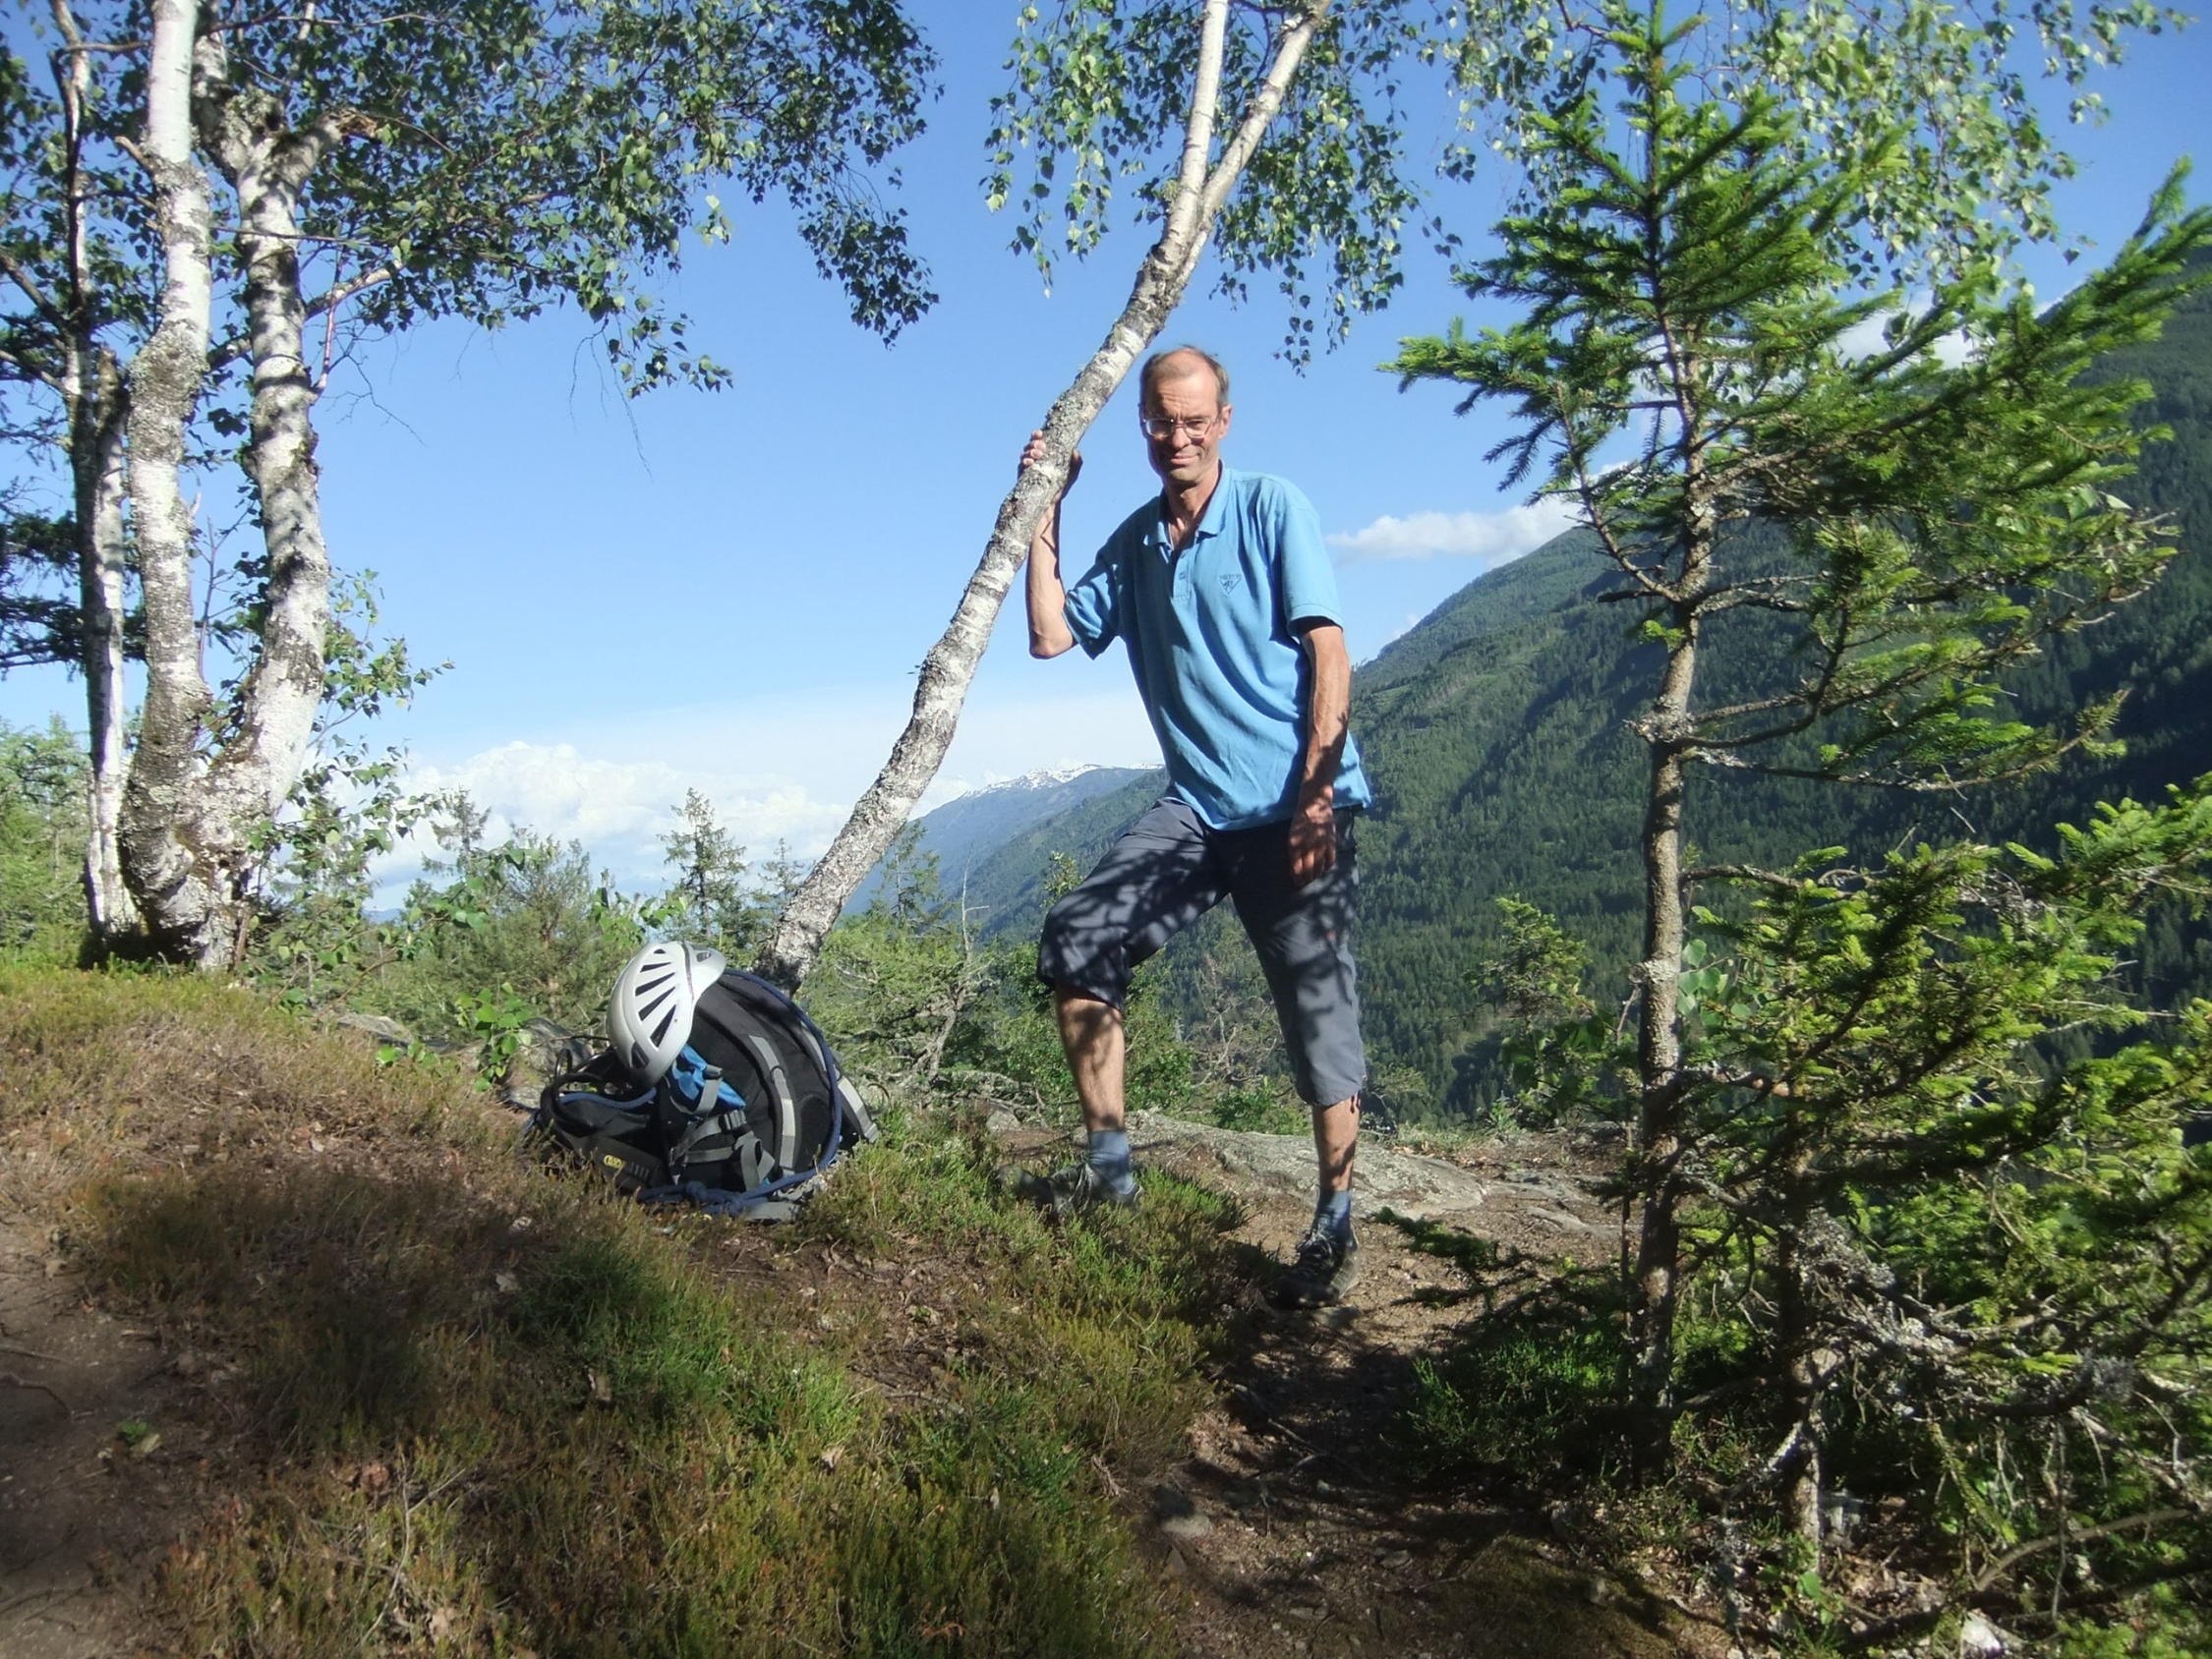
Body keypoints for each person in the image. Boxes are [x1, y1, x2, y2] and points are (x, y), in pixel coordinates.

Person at [1013, 344, 1372, 1308]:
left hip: (1293, 805)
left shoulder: (1272, 508)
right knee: (1079, 936)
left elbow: (1330, 654)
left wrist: (1317, 797)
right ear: (1144, 425)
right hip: (1201, 809)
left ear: (1224, 420)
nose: (1178, 436)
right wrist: (1046, 506)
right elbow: (1050, 635)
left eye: (1194, 419)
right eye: (1161, 421)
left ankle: (1336, 1220)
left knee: (1319, 1015)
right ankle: (1110, 1173)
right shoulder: (1137, 543)